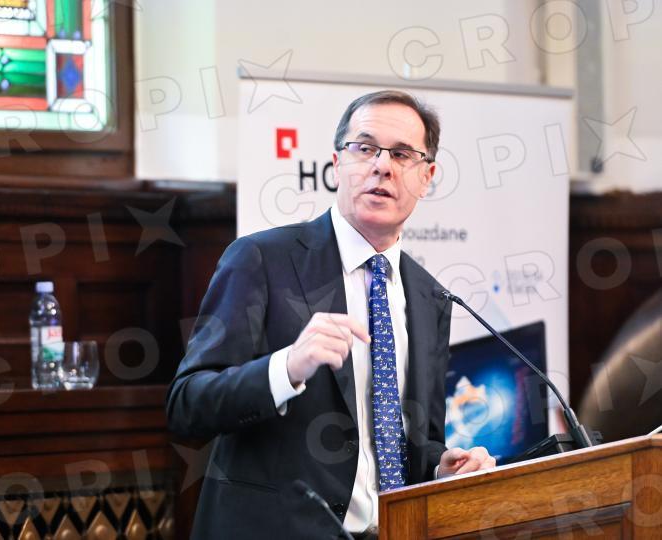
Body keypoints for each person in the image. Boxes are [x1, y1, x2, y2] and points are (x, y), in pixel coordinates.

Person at [167, 90, 495, 540]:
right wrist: (285, 368)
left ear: (427, 177)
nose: (382, 166)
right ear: (337, 164)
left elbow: (418, 438)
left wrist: (441, 467)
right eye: (365, 148)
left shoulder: (431, 297)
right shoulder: (262, 260)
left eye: (402, 154)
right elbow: (187, 405)